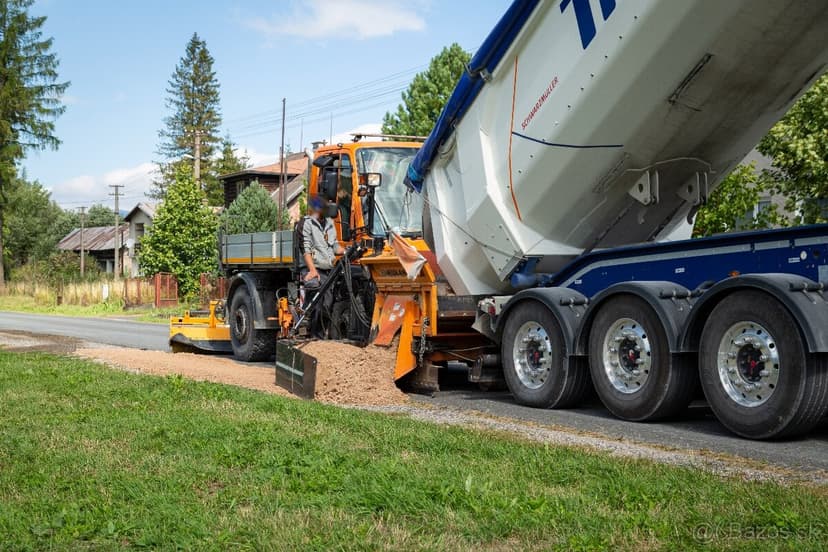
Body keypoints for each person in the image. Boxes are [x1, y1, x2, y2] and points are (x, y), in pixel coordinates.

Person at [300, 195, 345, 336]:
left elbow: (335, 246)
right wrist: (312, 270)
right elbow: (305, 249)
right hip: (316, 269)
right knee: (318, 304)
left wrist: (347, 251)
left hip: (329, 269)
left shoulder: (330, 223)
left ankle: (318, 335)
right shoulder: (307, 224)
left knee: (328, 304)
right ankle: (313, 335)